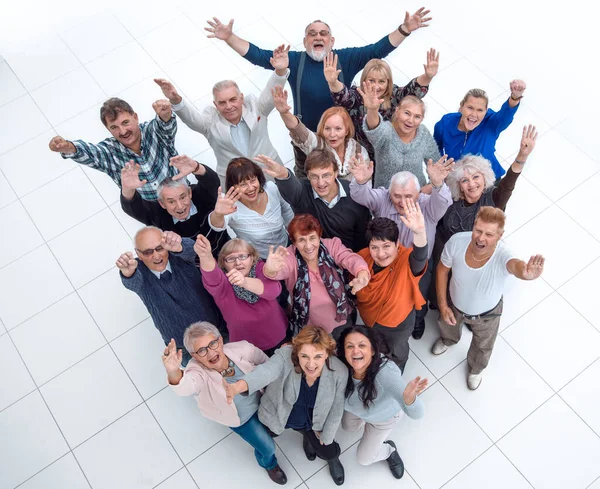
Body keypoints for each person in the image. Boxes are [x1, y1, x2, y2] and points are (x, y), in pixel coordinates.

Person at [205, 12, 432, 133]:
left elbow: (378, 49)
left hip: (344, 134)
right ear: (305, 41)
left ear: (331, 41)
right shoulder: (294, 60)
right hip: (308, 135)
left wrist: (405, 29)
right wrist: (229, 38)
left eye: (323, 33)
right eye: (312, 34)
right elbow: (258, 55)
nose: (318, 37)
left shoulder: (347, 58)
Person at [432, 207, 545, 390]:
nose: (481, 238)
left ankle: (476, 369)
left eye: (489, 234)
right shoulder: (456, 242)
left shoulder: (504, 254)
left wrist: (526, 274)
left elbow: (516, 266)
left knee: (483, 346)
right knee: (447, 325)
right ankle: (448, 340)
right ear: (474, 226)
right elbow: (442, 270)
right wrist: (443, 305)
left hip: (487, 315)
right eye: (478, 230)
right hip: (454, 304)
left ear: (500, 236)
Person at [163, 322, 288, 485]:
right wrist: (173, 371)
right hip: (241, 420)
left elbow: (267, 365)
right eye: (202, 350)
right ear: (194, 356)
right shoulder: (197, 371)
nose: (210, 352)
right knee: (267, 448)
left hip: (263, 401)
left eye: (212, 344)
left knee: (273, 427)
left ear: (221, 341)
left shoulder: (242, 349)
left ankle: (267, 428)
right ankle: (269, 464)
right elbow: (186, 386)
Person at [223, 326, 348, 486]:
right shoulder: (285, 355)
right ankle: (290, 447)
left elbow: (337, 408)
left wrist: (327, 435)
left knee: (327, 450)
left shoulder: (340, 372)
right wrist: (239, 386)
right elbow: (265, 372)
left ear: (327, 354)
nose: (311, 364)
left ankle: (329, 456)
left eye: (318, 356)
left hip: (314, 421)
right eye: (304, 356)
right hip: (282, 413)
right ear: (297, 352)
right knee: (266, 438)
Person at [154, 44, 290, 186]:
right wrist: (175, 99)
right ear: (216, 104)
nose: (229, 106)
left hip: (270, 172)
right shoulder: (210, 122)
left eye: (233, 100)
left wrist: (280, 71)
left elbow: (271, 92)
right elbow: (192, 120)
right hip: (235, 182)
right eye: (222, 103)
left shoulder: (256, 108)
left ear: (241, 98)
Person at [348, 154, 453, 338]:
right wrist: (361, 182)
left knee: (419, 299)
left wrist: (437, 185)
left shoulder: (428, 206)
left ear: (419, 194)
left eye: (408, 196)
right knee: (390, 299)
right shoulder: (382, 199)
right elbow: (360, 195)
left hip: (418, 265)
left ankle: (418, 321)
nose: (402, 201)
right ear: (389, 193)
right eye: (396, 196)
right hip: (385, 262)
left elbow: (443, 201)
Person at [116, 227, 223, 366]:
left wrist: (179, 245)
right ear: (138, 254)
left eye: (159, 248)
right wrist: (127, 272)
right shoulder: (138, 272)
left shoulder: (178, 255)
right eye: (148, 252)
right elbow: (131, 282)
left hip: (217, 332)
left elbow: (191, 248)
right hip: (184, 349)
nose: (156, 256)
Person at [338, 326, 427, 479]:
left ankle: (389, 451)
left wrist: (409, 399)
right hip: (358, 410)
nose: (355, 351)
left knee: (364, 459)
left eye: (362, 345)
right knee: (348, 427)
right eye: (349, 346)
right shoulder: (341, 368)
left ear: (372, 351)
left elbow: (418, 413)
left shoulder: (386, 375)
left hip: (383, 419)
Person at [49, 98, 178, 201]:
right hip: (152, 211)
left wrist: (166, 115)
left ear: (136, 117)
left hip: (181, 195)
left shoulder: (153, 130)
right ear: (108, 129)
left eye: (125, 122)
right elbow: (90, 152)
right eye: (114, 127)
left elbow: (164, 125)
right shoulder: (110, 151)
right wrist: (68, 147)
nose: (122, 131)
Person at [263, 214, 370, 337]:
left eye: (312, 238)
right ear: (294, 242)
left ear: (319, 236)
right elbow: (277, 271)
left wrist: (361, 272)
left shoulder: (332, 245)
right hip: (310, 325)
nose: (308, 246)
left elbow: (349, 258)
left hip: (342, 316)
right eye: (302, 240)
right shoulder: (289, 256)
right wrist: (270, 270)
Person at [326, 49, 439, 162]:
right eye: (371, 80)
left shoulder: (394, 96)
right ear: (364, 80)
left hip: (388, 156)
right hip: (359, 155)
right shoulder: (357, 95)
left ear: (388, 82)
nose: (376, 86)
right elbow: (342, 95)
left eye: (381, 81)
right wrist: (333, 82)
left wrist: (427, 76)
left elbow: (413, 91)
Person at [354, 212, 428, 372]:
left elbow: (420, 257)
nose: (380, 254)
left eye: (386, 246)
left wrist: (419, 233)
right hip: (370, 321)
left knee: (397, 351)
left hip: (397, 325)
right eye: (374, 247)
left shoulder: (407, 259)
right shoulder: (362, 258)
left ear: (397, 244)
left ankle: (398, 368)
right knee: (376, 347)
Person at [256, 150, 371, 252]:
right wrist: (282, 174)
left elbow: (362, 236)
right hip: (313, 258)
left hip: (348, 258)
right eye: (314, 177)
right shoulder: (301, 192)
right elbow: (291, 187)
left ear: (336, 173)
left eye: (326, 175)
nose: (321, 183)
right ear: (308, 176)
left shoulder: (354, 194)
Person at [194, 235, 288, 356]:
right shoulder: (222, 282)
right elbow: (211, 275)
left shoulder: (262, 269)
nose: (238, 262)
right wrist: (205, 255)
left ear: (252, 258)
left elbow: (273, 291)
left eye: (243, 256)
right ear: (223, 263)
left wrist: (244, 282)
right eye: (230, 259)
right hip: (246, 349)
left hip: (278, 337)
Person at [119, 157, 229, 256]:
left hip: (226, 250)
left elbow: (212, 182)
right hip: (195, 265)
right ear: (162, 203)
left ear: (189, 193)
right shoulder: (157, 213)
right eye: (171, 202)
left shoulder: (200, 195)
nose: (180, 206)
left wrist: (197, 167)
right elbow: (134, 208)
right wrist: (128, 189)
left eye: (182, 197)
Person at [433, 79, 527, 179]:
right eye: (470, 107)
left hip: (489, 180)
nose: (474, 114)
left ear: (486, 111)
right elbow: (434, 147)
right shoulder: (446, 122)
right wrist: (441, 169)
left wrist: (514, 98)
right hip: (458, 180)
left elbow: (504, 116)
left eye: (480, 110)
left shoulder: (490, 123)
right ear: (461, 106)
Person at [271, 84, 369, 179]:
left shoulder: (358, 151)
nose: (332, 134)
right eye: (327, 128)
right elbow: (298, 130)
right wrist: (284, 113)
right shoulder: (318, 144)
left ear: (346, 130)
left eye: (338, 129)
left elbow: (366, 184)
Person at [208, 157, 294, 259]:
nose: (250, 188)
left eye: (253, 180)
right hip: (260, 259)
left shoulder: (271, 188)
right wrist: (218, 213)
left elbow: (288, 214)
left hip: (288, 246)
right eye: (243, 184)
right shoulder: (230, 205)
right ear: (233, 186)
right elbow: (216, 226)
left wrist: (296, 238)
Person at [361, 84, 440, 189]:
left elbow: (436, 165)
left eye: (417, 117)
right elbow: (374, 129)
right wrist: (372, 110)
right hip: (384, 197)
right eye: (407, 113)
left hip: (417, 196)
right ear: (397, 111)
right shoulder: (387, 131)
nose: (410, 120)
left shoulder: (423, 133)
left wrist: (429, 187)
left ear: (422, 119)